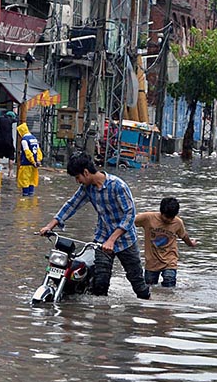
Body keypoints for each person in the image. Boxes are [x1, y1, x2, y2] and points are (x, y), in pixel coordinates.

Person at [39, 153, 150, 300]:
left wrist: (112, 240)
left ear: (86, 172)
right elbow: (72, 204)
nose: (78, 181)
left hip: (125, 241)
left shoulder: (118, 186)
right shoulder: (87, 188)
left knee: (138, 284)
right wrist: (50, 225)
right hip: (102, 239)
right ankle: (101, 319)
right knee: (100, 285)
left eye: (78, 177)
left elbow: (129, 215)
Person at [136, 197, 199, 288]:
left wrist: (190, 243)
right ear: (161, 212)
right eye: (166, 217)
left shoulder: (177, 222)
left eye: (171, 217)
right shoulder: (148, 218)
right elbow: (129, 222)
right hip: (151, 261)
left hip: (170, 260)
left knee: (169, 285)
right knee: (149, 287)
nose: (169, 220)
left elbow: (184, 236)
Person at [16, 122, 42, 196]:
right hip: (34, 166)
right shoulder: (34, 138)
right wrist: (38, 160)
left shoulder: (24, 140)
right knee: (32, 181)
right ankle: (31, 201)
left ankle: (25, 200)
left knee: (25, 181)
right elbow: (38, 151)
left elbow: (27, 152)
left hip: (26, 164)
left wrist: (32, 161)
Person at [0, 110, 17, 178]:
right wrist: (16, 112)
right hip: (8, 141)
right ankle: (10, 171)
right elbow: (17, 119)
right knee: (11, 156)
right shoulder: (11, 120)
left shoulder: (0, 119)